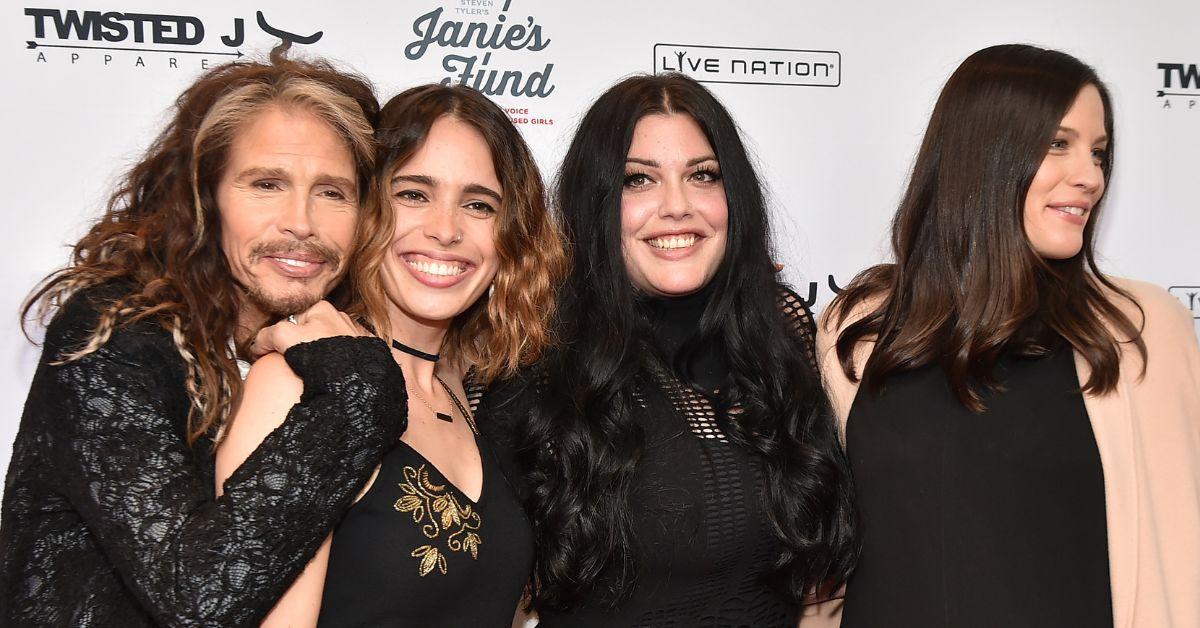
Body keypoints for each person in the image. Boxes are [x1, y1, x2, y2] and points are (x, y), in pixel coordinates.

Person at [0, 53, 411, 626]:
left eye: (333, 192)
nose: (301, 221)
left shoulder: (310, 350)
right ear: (204, 198)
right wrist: (362, 391)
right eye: (266, 184)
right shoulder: (115, 334)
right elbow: (199, 598)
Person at [816, 44, 1200, 627]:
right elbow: (821, 553)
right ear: (984, 154)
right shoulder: (861, 328)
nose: (1090, 176)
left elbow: (1180, 562)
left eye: (1099, 152)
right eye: (1058, 144)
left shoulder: (1143, 332)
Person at [485, 73, 857, 626]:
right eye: (639, 180)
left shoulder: (781, 342)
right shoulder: (540, 370)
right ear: (598, 203)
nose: (677, 206)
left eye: (703, 175)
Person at [215, 83, 566, 626]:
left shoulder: (470, 394)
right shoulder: (294, 384)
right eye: (413, 194)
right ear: (364, 208)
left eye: (479, 204)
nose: (446, 230)